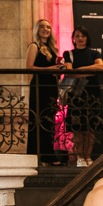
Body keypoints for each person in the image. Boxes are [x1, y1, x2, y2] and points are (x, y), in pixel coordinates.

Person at [62, 27, 103, 168]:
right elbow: (69, 72)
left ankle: (88, 156)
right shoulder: (68, 54)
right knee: (78, 127)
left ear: (87, 38)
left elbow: (100, 67)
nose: (80, 38)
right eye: (77, 36)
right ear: (73, 38)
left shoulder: (94, 53)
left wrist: (79, 70)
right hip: (76, 94)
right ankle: (80, 157)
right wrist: (89, 71)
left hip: (93, 93)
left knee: (91, 126)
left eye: (83, 35)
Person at [26, 18, 65, 164]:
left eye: (48, 27)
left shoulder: (52, 48)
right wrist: (50, 69)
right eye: (42, 27)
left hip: (51, 86)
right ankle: (36, 156)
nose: (45, 29)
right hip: (39, 86)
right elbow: (29, 68)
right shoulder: (34, 46)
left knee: (49, 122)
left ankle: (48, 155)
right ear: (37, 30)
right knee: (38, 120)